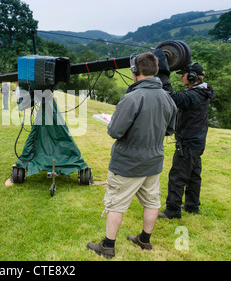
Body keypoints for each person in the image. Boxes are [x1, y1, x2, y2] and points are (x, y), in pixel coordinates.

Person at [87, 52, 177, 259]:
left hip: (128, 163)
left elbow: (115, 131)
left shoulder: (132, 97)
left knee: (115, 203)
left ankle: (107, 246)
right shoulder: (167, 98)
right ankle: (144, 240)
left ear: (136, 71)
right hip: (154, 161)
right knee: (152, 202)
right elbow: (170, 129)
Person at [155, 51, 216, 219]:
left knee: (177, 175)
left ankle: (173, 210)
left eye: (184, 75)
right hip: (197, 143)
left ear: (192, 77)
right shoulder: (201, 92)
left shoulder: (195, 95)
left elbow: (172, 98)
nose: (182, 77)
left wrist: (162, 74)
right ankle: (191, 205)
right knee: (194, 175)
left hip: (188, 143)